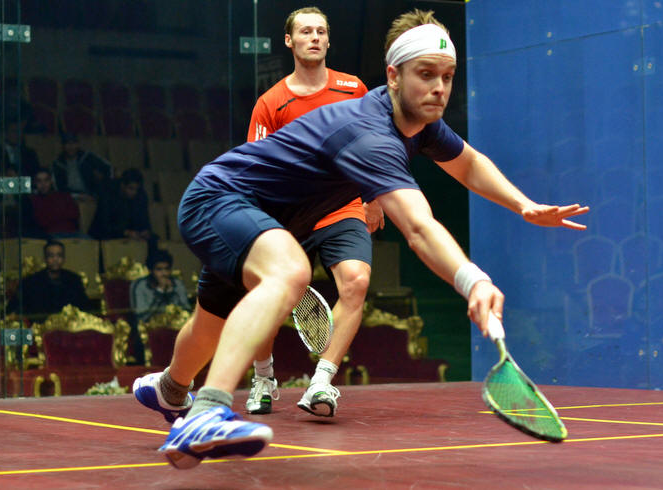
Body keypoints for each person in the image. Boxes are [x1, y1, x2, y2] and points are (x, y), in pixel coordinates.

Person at [133, 9, 588, 469]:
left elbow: (468, 163)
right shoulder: (371, 135)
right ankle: (205, 414)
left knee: (211, 322)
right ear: (393, 76)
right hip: (220, 198)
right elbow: (417, 227)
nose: (439, 88)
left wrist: (523, 205)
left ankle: (170, 388)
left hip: (263, 219)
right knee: (290, 271)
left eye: (447, 77)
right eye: (425, 74)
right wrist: (473, 280)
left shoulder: (420, 125)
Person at [242, 6, 380, 416]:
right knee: (268, 299)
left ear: (328, 40)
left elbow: (374, 146)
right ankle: (263, 377)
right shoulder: (271, 103)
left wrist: (375, 197)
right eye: (305, 31)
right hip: (289, 216)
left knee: (356, 281)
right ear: (289, 41)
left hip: (342, 206)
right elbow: (256, 169)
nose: (314, 37)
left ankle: (321, 382)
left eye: (321, 31)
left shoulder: (353, 89)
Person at [129, 249, 192, 365]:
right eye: (159, 269)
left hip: (177, 329)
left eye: (167, 269)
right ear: (151, 270)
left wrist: (171, 293)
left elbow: (187, 310)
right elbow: (141, 315)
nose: (164, 273)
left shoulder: (177, 284)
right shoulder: (140, 286)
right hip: (149, 331)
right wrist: (160, 292)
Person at [7, 239, 91, 324]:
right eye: (51, 256)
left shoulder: (74, 280)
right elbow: (13, 309)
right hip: (39, 327)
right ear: (45, 258)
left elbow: (85, 308)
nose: (55, 259)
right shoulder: (30, 282)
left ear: (64, 258)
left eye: (59, 255)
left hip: (69, 326)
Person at [88, 167, 153, 242]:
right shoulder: (108, 194)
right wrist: (125, 232)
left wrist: (145, 231)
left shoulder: (140, 196)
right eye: (131, 188)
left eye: (136, 190)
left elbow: (144, 220)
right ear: (122, 185)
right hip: (105, 237)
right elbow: (103, 225)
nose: (134, 193)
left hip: (132, 238)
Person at [50, 132, 113, 200]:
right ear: (63, 146)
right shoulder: (58, 164)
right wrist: (77, 196)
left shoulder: (87, 157)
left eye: (73, 143)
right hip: (69, 198)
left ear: (78, 144)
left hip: (92, 195)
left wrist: (103, 178)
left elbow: (109, 167)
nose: (71, 147)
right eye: (67, 144)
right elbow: (59, 188)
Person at [28, 168, 84, 238]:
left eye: (46, 180)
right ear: (35, 183)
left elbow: (75, 214)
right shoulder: (34, 200)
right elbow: (41, 222)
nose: (43, 184)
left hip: (73, 233)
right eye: (39, 181)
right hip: (51, 235)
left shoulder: (64, 196)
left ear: (51, 181)